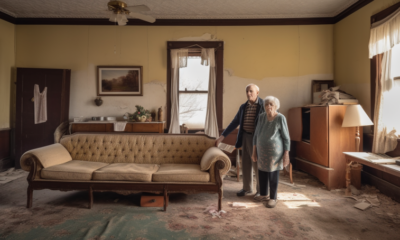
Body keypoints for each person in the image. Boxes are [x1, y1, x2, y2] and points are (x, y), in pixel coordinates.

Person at [215, 84, 265, 197]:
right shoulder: (243, 107)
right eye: (247, 91)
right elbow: (234, 122)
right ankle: (247, 188)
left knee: (257, 165)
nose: (248, 93)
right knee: (246, 163)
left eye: (251, 91)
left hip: (257, 139)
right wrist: (222, 137)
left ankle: (261, 191)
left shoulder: (263, 105)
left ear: (257, 92)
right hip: (245, 137)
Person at [252, 96, 290, 208]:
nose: (268, 106)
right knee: (262, 172)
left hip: (275, 153)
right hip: (261, 151)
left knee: (273, 174)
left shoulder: (280, 118)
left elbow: (286, 138)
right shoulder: (261, 117)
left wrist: (286, 154)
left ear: (276, 106)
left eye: (271, 104)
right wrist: (254, 152)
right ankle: (264, 194)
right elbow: (256, 135)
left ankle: (273, 198)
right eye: (266, 104)